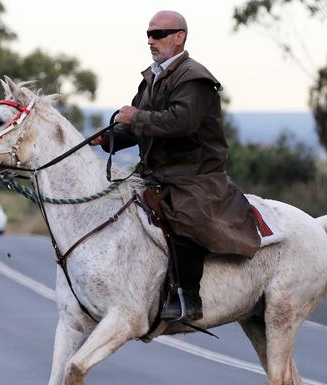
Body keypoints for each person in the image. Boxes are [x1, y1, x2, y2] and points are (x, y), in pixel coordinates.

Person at [91, 10, 260, 321]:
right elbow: (137, 126)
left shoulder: (194, 78)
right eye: (148, 35)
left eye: (159, 34)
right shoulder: (152, 77)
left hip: (195, 176)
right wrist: (107, 139)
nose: (151, 41)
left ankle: (187, 297)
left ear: (179, 36)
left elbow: (181, 123)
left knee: (183, 217)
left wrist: (135, 117)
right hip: (158, 174)